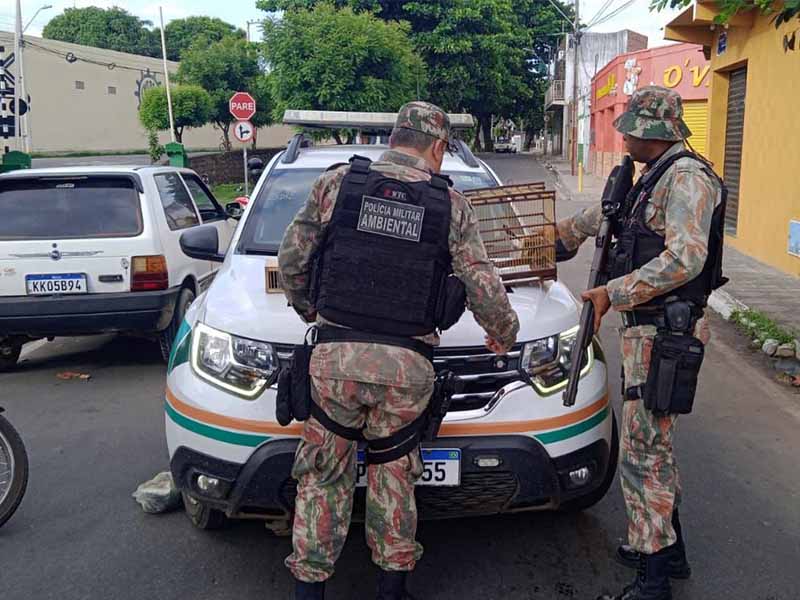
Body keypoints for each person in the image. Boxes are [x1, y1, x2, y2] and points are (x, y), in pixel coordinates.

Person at [278, 101, 520, 600]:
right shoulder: (450, 204)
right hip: (407, 367)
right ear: (437, 146)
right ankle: (392, 590)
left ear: (394, 139)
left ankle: (309, 591)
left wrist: (309, 310)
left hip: (335, 360)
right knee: (395, 476)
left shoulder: (337, 183)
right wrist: (503, 332)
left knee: (323, 477)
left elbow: (293, 256)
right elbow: (481, 281)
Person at [557, 86, 726, 600]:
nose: (622, 133)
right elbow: (613, 219)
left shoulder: (688, 179)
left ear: (655, 130)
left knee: (642, 454)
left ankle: (652, 581)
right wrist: (560, 234)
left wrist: (613, 291)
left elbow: (685, 260)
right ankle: (666, 552)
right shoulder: (651, 175)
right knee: (653, 448)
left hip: (665, 334)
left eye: (630, 126)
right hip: (648, 333)